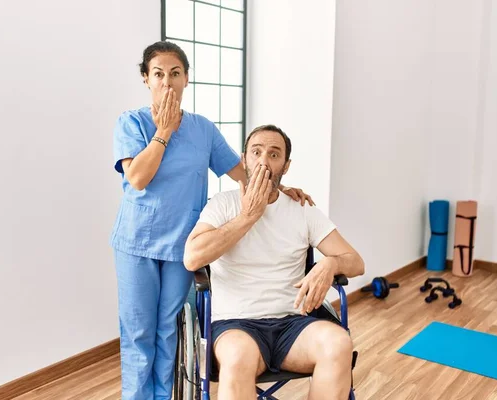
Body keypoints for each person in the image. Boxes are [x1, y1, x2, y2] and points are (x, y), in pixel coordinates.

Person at [110, 41, 314, 400]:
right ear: (146, 79)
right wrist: (165, 131)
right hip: (136, 245)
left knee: (167, 334)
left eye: (175, 74)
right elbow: (138, 178)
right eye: (158, 74)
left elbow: (244, 173)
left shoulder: (203, 130)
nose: (167, 82)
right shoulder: (131, 123)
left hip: (182, 247)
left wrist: (281, 187)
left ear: (187, 79)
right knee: (139, 335)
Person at [184, 124, 366, 400]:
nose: (264, 161)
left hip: (292, 324)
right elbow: (192, 258)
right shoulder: (223, 205)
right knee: (237, 358)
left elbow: (355, 262)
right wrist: (247, 216)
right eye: (256, 152)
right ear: (245, 159)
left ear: (286, 165)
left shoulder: (302, 209)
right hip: (235, 325)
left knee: (339, 343)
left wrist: (329, 265)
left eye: (274, 154)